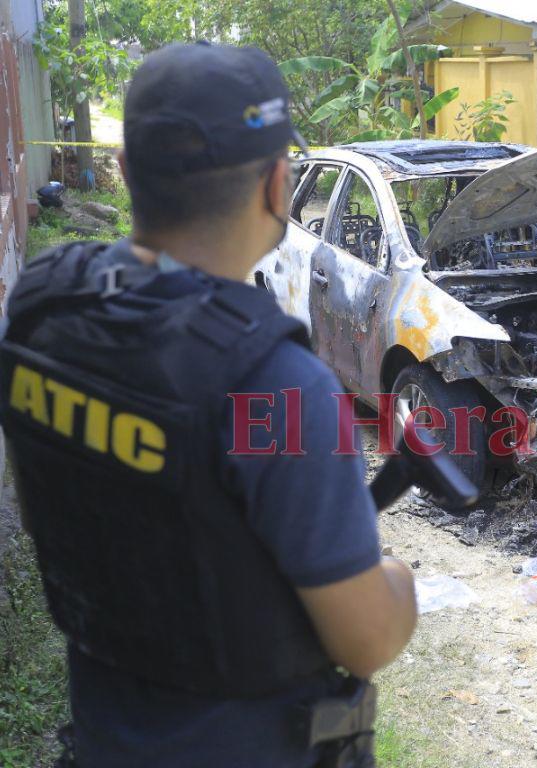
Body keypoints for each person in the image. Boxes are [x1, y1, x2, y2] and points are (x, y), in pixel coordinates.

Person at [0, 43, 417, 767]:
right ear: (277, 186)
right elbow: (368, 640)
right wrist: (400, 584)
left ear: (124, 169)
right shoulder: (278, 386)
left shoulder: (42, 304)